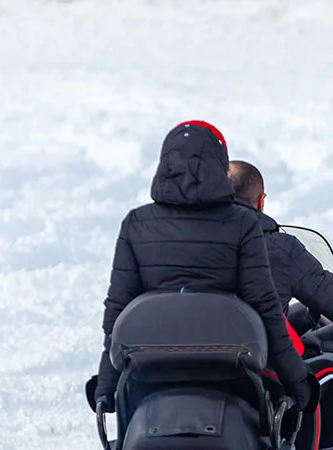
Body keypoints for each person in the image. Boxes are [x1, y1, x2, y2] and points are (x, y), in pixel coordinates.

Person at [93, 121, 316, 420]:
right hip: (229, 372)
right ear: (219, 165)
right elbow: (265, 308)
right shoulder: (242, 223)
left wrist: (106, 385)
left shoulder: (137, 223)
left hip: (151, 373)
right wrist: (297, 381)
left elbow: (117, 312)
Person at [228, 159, 333, 450]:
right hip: (260, 379)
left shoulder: (183, 248)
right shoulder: (277, 247)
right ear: (261, 202)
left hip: (189, 367)